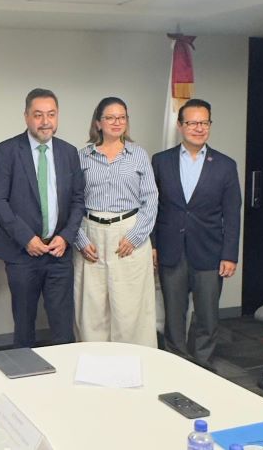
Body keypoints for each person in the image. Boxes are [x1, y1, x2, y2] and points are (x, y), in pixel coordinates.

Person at [0, 88, 84, 348]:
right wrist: (26, 238)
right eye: (38, 115)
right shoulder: (6, 151)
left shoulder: (68, 152)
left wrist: (66, 237)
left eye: (51, 114)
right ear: (26, 116)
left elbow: (78, 200)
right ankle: (25, 373)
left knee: (63, 329)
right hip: (22, 254)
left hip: (58, 253)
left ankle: (63, 373)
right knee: (24, 327)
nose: (45, 121)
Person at [152, 98, 241, 370]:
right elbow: (152, 207)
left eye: (204, 123)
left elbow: (232, 214)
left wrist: (230, 254)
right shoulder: (161, 161)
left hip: (210, 252)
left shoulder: (225, 165)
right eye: (192, 123)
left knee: (207, 315)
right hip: (171, 250)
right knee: (173, 314)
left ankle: (203, 363)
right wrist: (153, 245)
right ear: (180, 126)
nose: (199, 128)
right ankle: (176, 362)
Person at [73, 97, 158, 347]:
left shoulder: (138, 155)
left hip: (129, 234)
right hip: (90, 235)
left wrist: (135, 237)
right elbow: (71, 200)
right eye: (110, 117)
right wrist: (79, 239)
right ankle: (94, 362)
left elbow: (151, 199)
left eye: (121, 117)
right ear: (98, 123)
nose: (116, 122)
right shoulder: (82, 156)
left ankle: (133, 362)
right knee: (92, 309)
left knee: (130, 309)